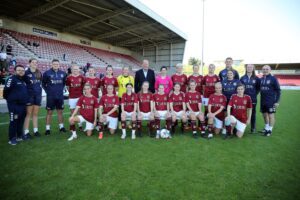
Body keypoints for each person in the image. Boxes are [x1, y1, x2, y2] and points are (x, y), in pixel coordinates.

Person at [3, 65, 29, 145]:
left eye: (22, 70)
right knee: (13, 121)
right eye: (19, 70)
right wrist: (11, 100)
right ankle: (12, 138)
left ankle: (19, 136)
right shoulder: (11, 79)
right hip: (14, 105)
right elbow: (6, 91)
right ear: (15, 71)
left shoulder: (23, 80)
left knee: (21, 120)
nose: (21, 71)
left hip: (22, 105)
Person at [42, 59, 67, 135]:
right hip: (51, 97)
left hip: (60, 96)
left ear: (59, 65)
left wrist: (59, 90)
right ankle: (47, 129)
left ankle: (61, 127)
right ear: (51, 64)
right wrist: (48, 91)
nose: (56, 65)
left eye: (57, 64)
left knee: (60, 112)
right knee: (49, 112)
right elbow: (43, 84)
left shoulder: (63, 73)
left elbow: (63, 84)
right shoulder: (47, 73)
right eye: (54, 64)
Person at [23, 58, 43, 137]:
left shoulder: (39, 73)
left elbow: (40, 84)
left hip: (38, 95)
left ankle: (36, 131)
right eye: (33, 62)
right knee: (28, 114)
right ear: (29, 63)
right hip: (29, 96)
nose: (35, 63)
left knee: (35, 114)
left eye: (36, 62)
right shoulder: (26, 73)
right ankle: (26, 132)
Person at [260, 65, 281, 136]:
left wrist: (277, 101)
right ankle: (266, 128)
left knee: (271, 115)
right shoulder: (261, 79)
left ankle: (270, 130)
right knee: (264, 115)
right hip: (263, 101)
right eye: (264, 69)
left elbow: (278, 90)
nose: (265, 70)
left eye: (267, 69)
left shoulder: (273, 79)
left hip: (271, 101)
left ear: (270, 70)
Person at [240, 64, 260, 133]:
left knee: (253, 113)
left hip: (253, 99)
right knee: (242, 112)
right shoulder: (242, 78)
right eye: (248, 67)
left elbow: (258, 88)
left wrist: (254, 94)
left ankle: (253, 128)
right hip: (243, 99)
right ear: (246, 68)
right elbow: (240, 88)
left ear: (253, 69)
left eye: (251, 67)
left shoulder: (256, 78)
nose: (249, 68)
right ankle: (241, 127)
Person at [66, 64, 85, 130]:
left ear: (79, 70)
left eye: (77, 69)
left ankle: (80, 125)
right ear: (72, 70)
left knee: (80, 111)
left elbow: (83, 86)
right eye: (74, 69)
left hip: (80, 97)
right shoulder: (69, 78)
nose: (75, 70)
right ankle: (72, 126)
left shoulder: (82, 77)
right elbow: (68, 87)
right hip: (72, 97)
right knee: (72, 112)